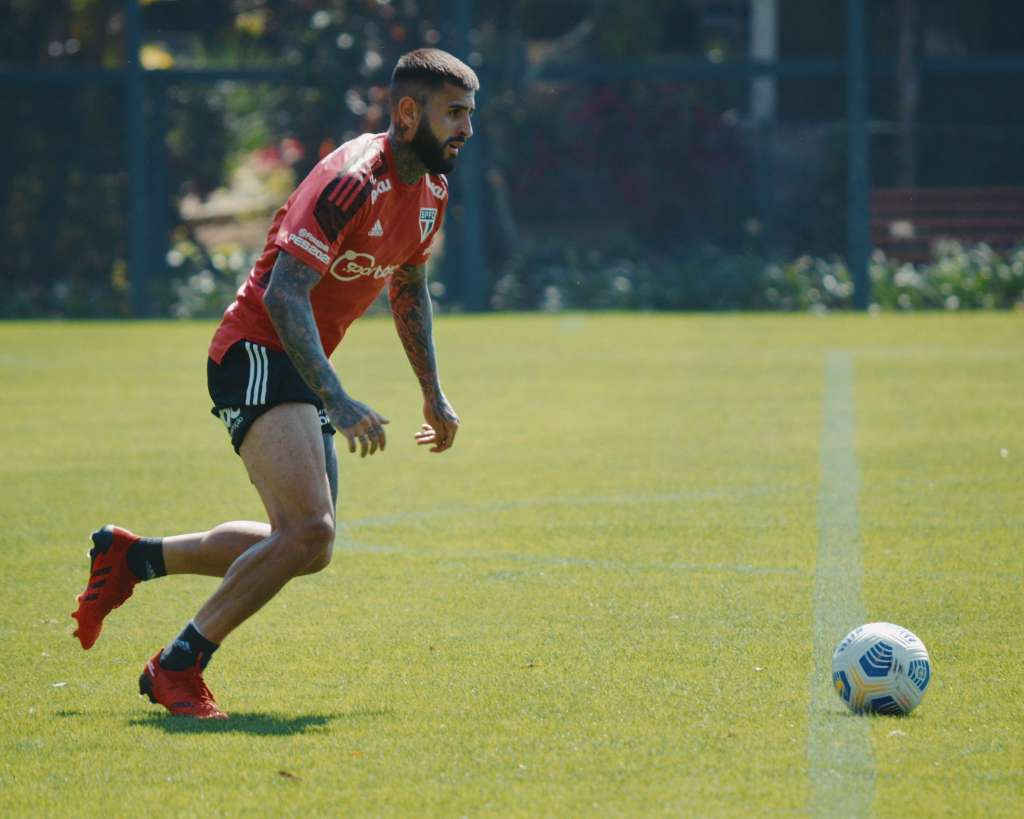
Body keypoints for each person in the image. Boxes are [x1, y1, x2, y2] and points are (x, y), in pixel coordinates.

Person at [71, 48, 478, 719]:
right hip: (256, 349)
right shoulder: (353, 179)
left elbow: (409, 287)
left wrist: (433, 392)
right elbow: (286, 296)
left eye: (470, 114)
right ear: (408, 115)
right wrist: (337, 397)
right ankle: (179, 663)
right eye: (455, 113)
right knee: (308, 528)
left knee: (304, 544)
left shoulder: (431, 188)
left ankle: (135, 558)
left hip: (296, 359)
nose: (466, 128)